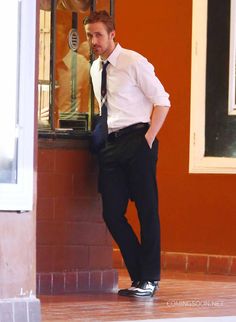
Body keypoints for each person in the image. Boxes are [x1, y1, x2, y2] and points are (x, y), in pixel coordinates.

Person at [83, 11, 170, 298]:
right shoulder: (95, 69)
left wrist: (148, 139)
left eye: (98, 34)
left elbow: (162, 102)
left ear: (112, 34)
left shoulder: (133, 61)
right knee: (112, 213)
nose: (93, 40)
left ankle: (149, 279)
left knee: (147, 211)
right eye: (89, 35)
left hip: (137, 140)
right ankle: (139, 277)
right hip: (111, 145)